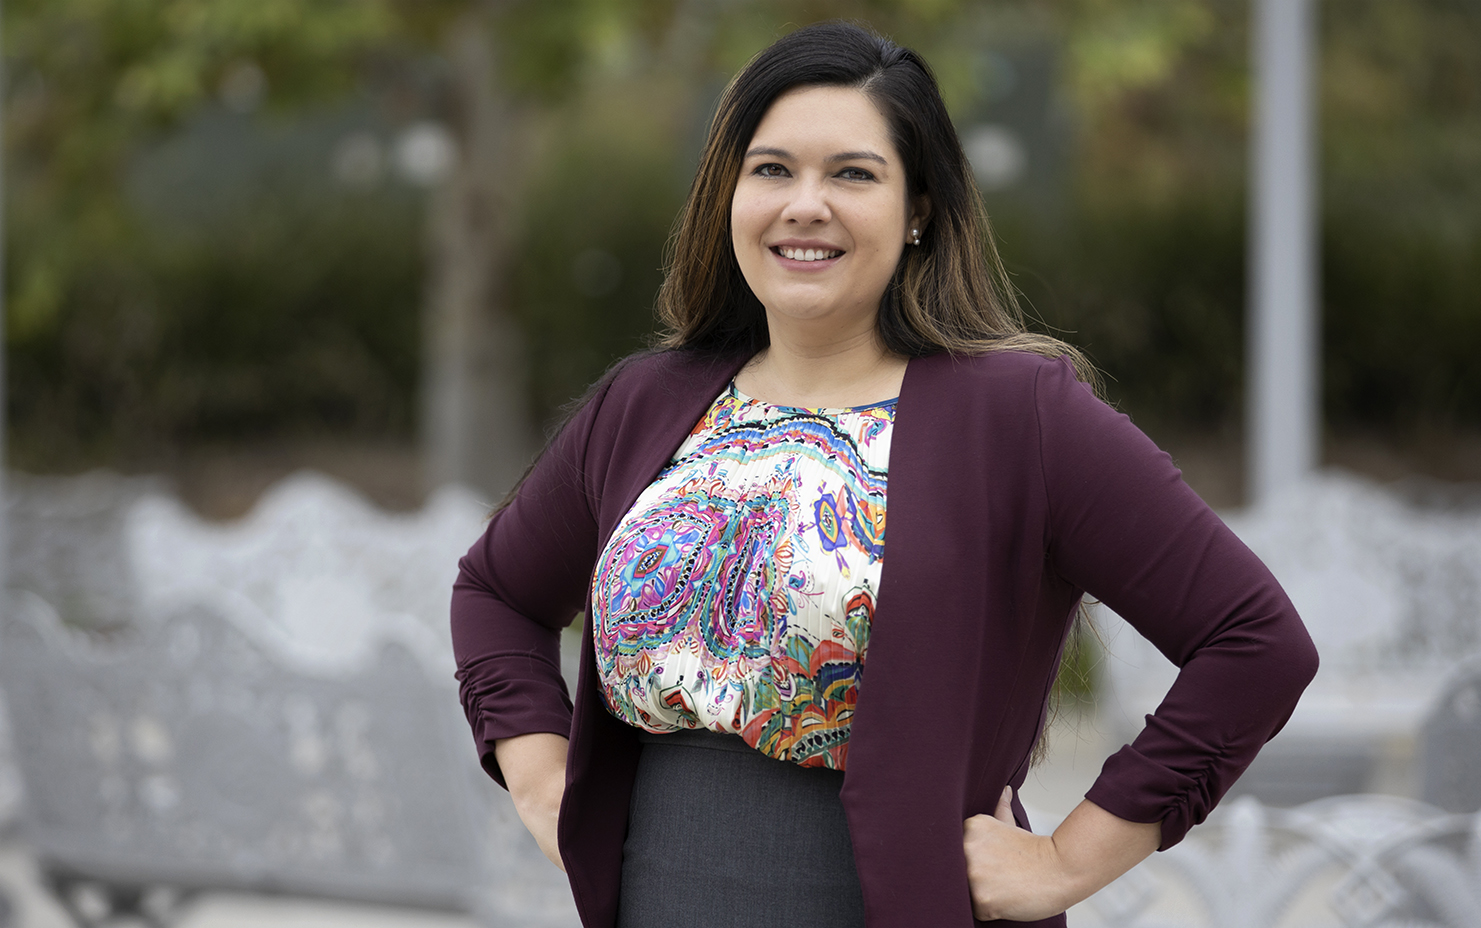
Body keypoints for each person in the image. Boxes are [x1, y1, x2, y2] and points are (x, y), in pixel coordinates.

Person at [450, 20, 1317, 928]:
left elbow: (1254, 642)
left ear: (920, 211)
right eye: (772, 169)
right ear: (727, 195)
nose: (804, 204)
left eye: (853, 174)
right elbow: (496, 591)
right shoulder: (645, 401)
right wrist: (540, 774)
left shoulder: (1018, 413)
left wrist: (1070, 858)